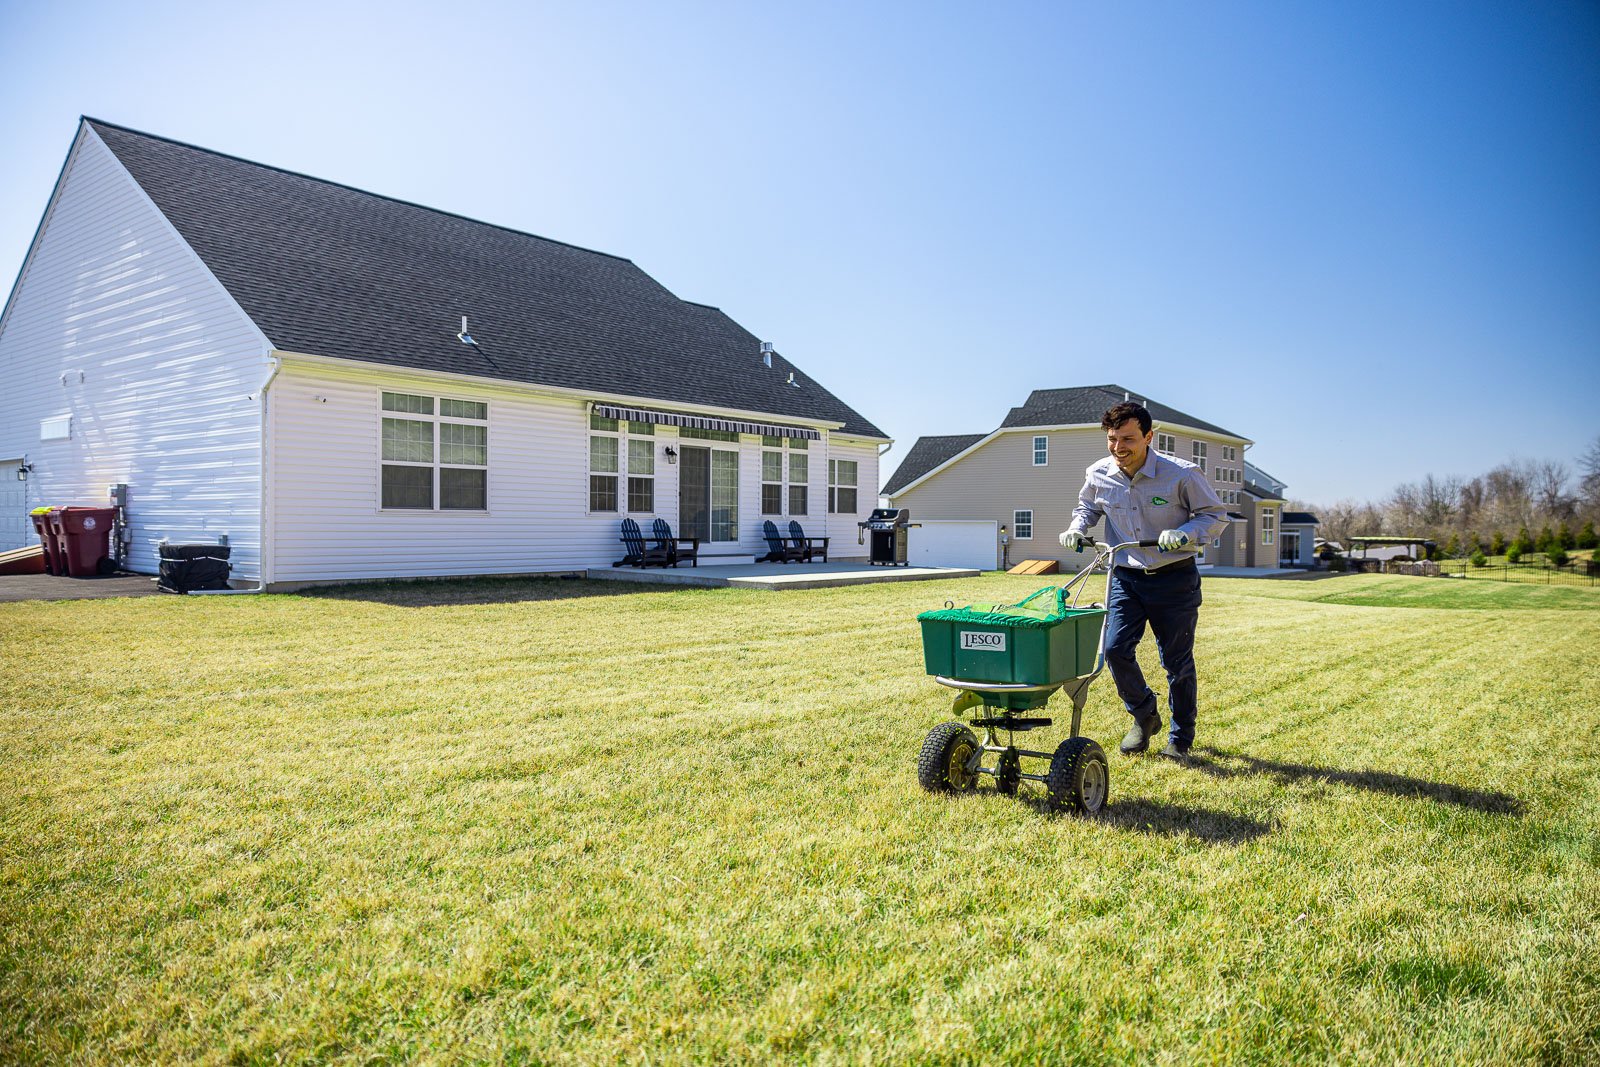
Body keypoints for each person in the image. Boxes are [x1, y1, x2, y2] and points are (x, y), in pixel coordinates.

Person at [1059, 402, 1228, 758]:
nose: (1119, 447)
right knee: (1115, 650)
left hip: (1174, 578)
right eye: (1113, 439)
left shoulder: (1182, 473)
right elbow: (1087, 508)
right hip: (1126, 577)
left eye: (1128, 439)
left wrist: (1184, 533)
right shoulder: (1099, 473)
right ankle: (1144, 715)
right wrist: (1076, 528)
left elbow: (1213, 515)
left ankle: (1180, 739)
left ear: (1149, 437)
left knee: (1176, 662)